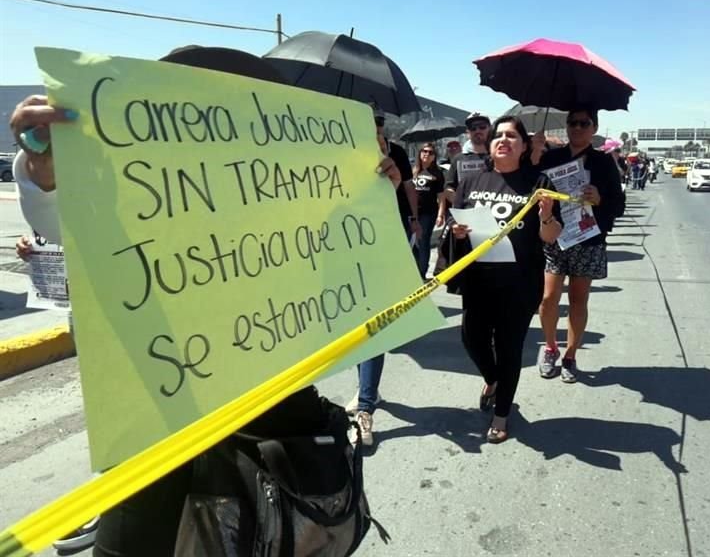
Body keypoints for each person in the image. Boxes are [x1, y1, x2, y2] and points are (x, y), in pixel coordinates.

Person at [8, 47, 407, 557]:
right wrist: (44, 172)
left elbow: (364, 281)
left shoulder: (293, 191)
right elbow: (59, 224)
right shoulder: (134, 180)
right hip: (159, 438)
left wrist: (377, 196)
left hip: (277, 429)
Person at [451, 116, 561, 443]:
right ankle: (493, 379)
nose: (503, 140)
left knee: (510, 348)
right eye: (499, 135)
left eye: (512, 136)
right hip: (478, 281)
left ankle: (501, 414)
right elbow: (457, 228)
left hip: (520, 284)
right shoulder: (472, 182)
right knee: (472, 338)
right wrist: (457, 232)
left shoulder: (538, 183)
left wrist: (545, 214)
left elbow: (552, 236)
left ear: (524, 146)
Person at [346, 109, 418, 446]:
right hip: (344, 254)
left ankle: (365, 408)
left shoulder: (395, 158)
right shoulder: (342, 160)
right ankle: (365, 390)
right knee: (353, 329)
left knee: (373, 328)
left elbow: (403, 192)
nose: (373, 134)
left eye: (377, 128)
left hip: (383, 251)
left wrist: (414, 217)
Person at [536, 108, 625, 383]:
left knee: (578, 299)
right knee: (549, 298)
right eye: (572, 122)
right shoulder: (551, 157)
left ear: (594, 128)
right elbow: (533, 187)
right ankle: (550, 347)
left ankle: (570, 355)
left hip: (587, 239)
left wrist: (599, 198)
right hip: (555, 235)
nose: (576, 127)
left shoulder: (604, 163)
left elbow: (618, 206)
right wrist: (533, 154)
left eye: (583, 123)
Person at [412, 142, 444, 279]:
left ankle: (422, 272)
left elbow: (441, 196)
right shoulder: (412, 170)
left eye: (430, 152)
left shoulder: (438, 173)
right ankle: (413, 270)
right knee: (412, 242)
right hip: (412, 213)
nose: (426, 154)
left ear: (434, 157)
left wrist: (440, 214)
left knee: (423, 241)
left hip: (428, 213)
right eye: (424, 151)